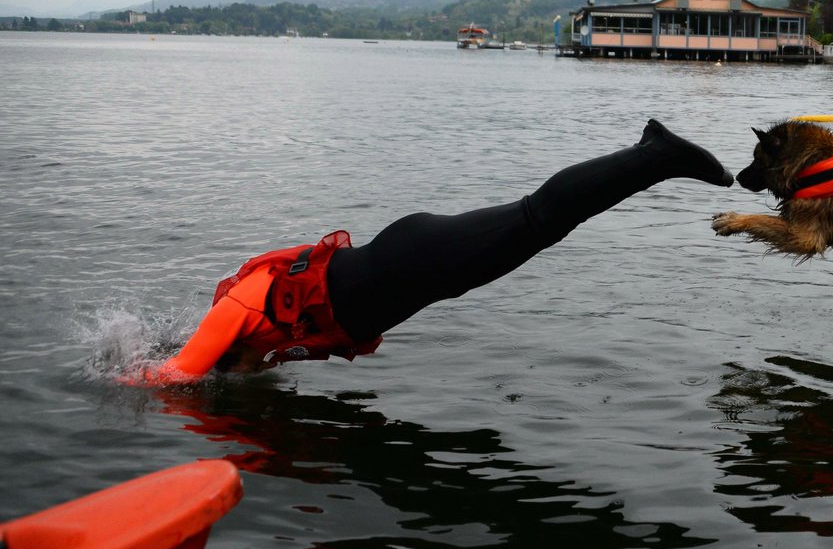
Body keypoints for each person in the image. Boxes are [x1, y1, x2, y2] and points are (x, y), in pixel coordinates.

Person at [123, 120, 733, 385]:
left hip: (411, 259)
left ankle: (656, 154)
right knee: (541, 226)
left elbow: (177, 374)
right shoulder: (267, 345)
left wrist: (120, 375)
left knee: (537, 219)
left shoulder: (237, 311)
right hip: (418, 272)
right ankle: (654, 159)